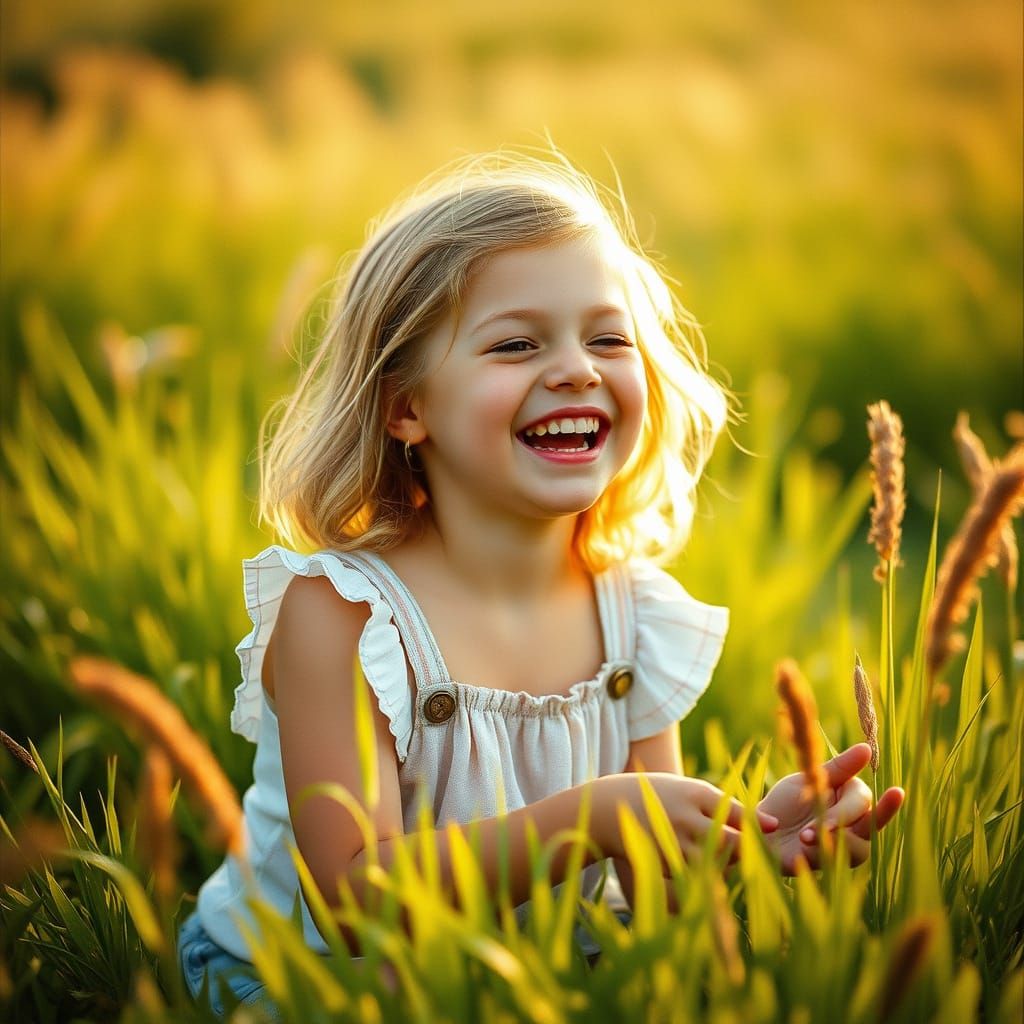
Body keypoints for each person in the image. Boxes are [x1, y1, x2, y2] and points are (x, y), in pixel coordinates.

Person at [178, 149, 904, 1016]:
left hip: (534, 972)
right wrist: (592, 816)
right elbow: (350, 905)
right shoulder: (345, 616)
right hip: (307, 975)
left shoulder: (632, 613)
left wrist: (745, 840)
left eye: (607, 337)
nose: (576, 368)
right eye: (517, 344)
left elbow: (647, 902)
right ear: (405, 405)